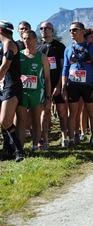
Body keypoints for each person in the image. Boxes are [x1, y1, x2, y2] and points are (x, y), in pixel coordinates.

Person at [61, 22, 93, 150]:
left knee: (92, 112)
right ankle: (72, 139)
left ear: (82, 31)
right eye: (70, 30)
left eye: (74, 30)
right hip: (73, 85)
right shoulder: (68, 49)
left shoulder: (92, 48)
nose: (71, 32)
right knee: (73, 112)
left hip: (88, 85)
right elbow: (65, 68)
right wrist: (63, 87)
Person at [16, 30, 51, 151]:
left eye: (29, 38)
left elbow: (47, 78)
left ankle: (35, 145)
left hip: (37, 92)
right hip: (22, 93)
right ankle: (20, 147)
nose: (26, 41)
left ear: (35, 40)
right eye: (24, 38)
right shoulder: (18, 55)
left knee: (36, 120)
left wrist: (48, 97)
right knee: (21, 121)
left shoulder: (42, 57)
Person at [36, 21, 68, 147]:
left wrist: (59, 85)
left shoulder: (60, 47)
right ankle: (45, 140)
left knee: (62, 112)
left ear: (52, 31)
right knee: (44, 113)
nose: (44, 30)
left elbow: (63, 68)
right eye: (42, 28)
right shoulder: (38, 47)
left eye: (47, 28)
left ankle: (65, 138)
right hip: (43, 85)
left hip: (57, 83)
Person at [0, 20, 25, 162]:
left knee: (5, 120)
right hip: (4, 86)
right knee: (3, 121)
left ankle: (19, 151)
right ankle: (10, 150)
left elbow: (5, 66)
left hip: (11, 85)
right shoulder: (3, 45)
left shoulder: (8, 43)